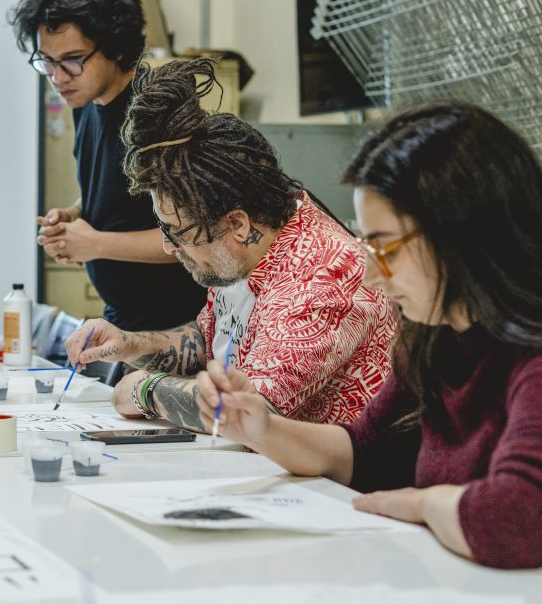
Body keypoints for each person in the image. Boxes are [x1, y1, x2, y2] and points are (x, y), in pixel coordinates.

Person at [192, 101, 542, 569]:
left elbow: (517, 521)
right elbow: (366, 450)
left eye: (386, 249)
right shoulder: (435, 337)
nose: (374, 277)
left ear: (458, 232)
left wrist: (418, 505)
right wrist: (264, 428)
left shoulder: (530, 357)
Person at [65, 59, 397, 428]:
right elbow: (212, 341)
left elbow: (249, 412)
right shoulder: (246, 252)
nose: (168, 247)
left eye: (179, 231)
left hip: (333, 484)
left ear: (237, 223)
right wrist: (132, 344)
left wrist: (149, 389)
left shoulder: (322, 276)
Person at [8, 0, 207, 336]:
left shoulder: (155, 112)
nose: (58, 77)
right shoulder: (86, 104)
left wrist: (95, 243)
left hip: (178, 328)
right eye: (46, 62)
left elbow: (193, 236)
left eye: (72, 60)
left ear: (115, 45)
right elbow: (124, 194)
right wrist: (76, 215)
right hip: (125, 319)